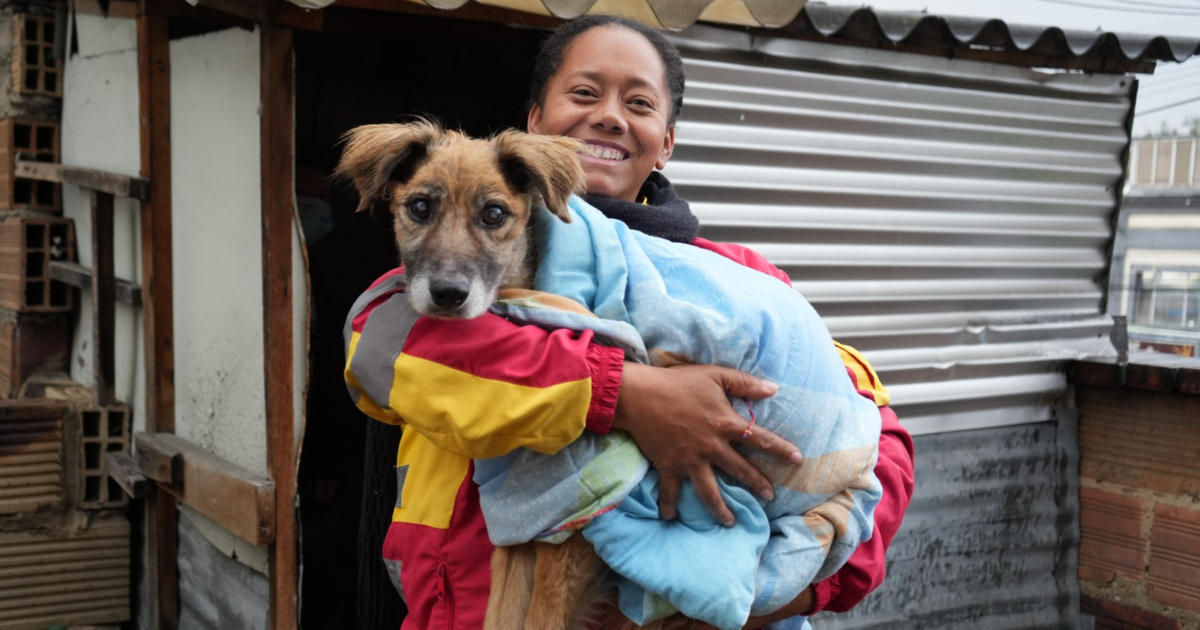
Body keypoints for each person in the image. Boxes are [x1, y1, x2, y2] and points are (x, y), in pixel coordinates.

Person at [344, 15, 914, 630]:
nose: (610, 116)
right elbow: (385, 353)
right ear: (535, 122)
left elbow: (878, 442)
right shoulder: (425, 297)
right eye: (584, 93)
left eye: (639, 103)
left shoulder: (738, 281)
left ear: (666, 140)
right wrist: (633, 394)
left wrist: (772, 596)